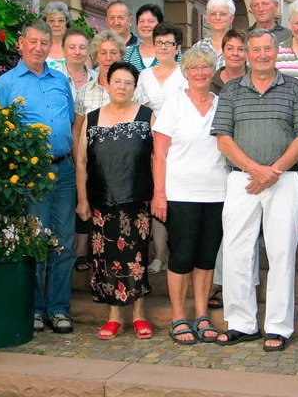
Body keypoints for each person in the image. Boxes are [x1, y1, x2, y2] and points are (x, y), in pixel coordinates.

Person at [211, 29, 298, 352]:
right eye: (255, 50)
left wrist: (274, 171)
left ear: (276, 52)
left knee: (282, 252)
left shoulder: (294, 88)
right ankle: (242, 323)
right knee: (237, 250)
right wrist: (256, 169)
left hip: (284, 180)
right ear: (246, 53)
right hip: (243, 180)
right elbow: (223, 139)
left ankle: (278, 327)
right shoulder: (231, 91)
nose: (261, 55)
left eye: (267, 49)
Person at [0, 19, 77, 334]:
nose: (40, 48)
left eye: (45, 42)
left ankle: (58, 308)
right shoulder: (5, 84)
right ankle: (35, 309)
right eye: (34, 42)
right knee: (35, 240)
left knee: (65, 242)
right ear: (21, 43)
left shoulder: (60, 80)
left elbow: (68, 121)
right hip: (32, 173)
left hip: (65, 169)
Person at [151, 48, 227, 344]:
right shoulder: (174, 104)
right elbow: (159, 154)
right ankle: (178, 317)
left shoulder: (223, 104)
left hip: (217, 193)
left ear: (212, 70)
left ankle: (202, 314)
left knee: (206, 259)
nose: (199, 72)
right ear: (185, 72)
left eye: (205, 67)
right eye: (194, 68)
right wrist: (159, 194)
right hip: (180, 193)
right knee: (181, 257)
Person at [75, 61, 154, 340]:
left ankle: (139, 315)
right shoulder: (92, 118)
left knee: (137, 257)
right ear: (107, 84)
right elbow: (82, 161)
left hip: (137, 199)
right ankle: (113, 316)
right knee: (105, 258)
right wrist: (82, 199)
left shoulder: (147, 116)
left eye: (128, 83)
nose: (122, 87)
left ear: (135, 88)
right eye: (117, 81)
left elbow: (157, 158)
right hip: (102, 201)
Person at [207, 28, 256, 310]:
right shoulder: (211, 81)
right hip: (214, 161)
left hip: (246, 163)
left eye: (241, 48)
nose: (236, 53)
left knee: (243, 228)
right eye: (231, 48)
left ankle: (240, 283)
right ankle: (220, 282)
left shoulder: (255, 79)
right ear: (222, 51)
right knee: (223, 226)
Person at [70, 30, 126, 272]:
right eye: (102, 52)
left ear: (121, 55)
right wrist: (77, 161)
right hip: (91, 163)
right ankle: (84, 255)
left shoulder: (132, 87)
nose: (107, 57)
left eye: (113, 52)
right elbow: (77, 130)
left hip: (123, 165)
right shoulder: (85, 92)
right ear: (95, 56)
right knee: (86, 205)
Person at [134, 22, 187, 274]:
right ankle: (159, 253)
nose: (163, 48)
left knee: (177, 200)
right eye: (159, 43)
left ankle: (177, 252)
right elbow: (140, 110)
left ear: (178, 47)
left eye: (169, 43)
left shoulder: (185, 73)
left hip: (182, 145)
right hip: (152, 144)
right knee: (156, 196)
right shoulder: (144, 76)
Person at [192, 0, 236, 69]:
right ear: (207, 18)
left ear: (231, 18)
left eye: (223, 14)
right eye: (213, 14)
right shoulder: (199, 47)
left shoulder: (240, 46)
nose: (217, 18)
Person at [124, 4, 165, 71]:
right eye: (141, 21)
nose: (145, 25)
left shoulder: (171, 50)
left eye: (150, 21)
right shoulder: (128, 53)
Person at [61, 27, 94, 99]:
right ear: (63, 50)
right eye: (72, 47)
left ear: (88, 51)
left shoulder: (97, 78)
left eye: (82, 47)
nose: (77, 52)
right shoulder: (53, 78)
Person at [43, 1, 72, 71]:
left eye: (61, 20)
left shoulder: (77, 47)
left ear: (67, 23)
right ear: (45, 23)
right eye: (51, 20)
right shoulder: (39, 47)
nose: (56, 24)